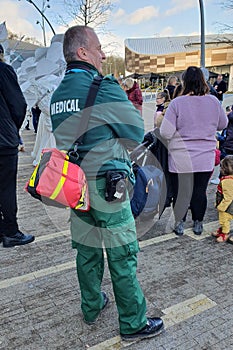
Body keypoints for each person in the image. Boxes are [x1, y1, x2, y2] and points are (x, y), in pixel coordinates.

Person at [50, 25, 164, 341]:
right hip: (108, 185)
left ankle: (92, 306)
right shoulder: (103, 86)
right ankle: (132, 323)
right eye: (99, 48)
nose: (103, 54)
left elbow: (64, 137)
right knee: (122, 253)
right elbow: (133, 134)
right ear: (83, 52)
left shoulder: (58, 95)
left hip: (74, 184)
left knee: (86, 250)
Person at [160, 66, 228, 236]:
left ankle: (180, 223)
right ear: (203, 81)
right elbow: (223, 124)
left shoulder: (177, 103)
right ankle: (198, 223)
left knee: (181, 192)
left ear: (184, 82)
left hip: (180, 158)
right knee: (199, 192)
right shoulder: (213, 101)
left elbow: (165, 132)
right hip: (204, 157)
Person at [0, 43, 35, 247]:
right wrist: (13, 127)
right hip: (3, 140)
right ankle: (11, 231)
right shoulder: (3, 70)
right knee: (5, 187)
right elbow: (18, 104)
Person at [212, 155, 233, 243]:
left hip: (227, 207)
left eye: (222, 167)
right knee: (224, 219)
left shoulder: (227, 181)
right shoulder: (229, 178)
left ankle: (225, 233)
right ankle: (222, 229)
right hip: (227, 205)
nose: (220, 169)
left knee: (224, 219)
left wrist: (221, 207)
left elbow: (228, 197)